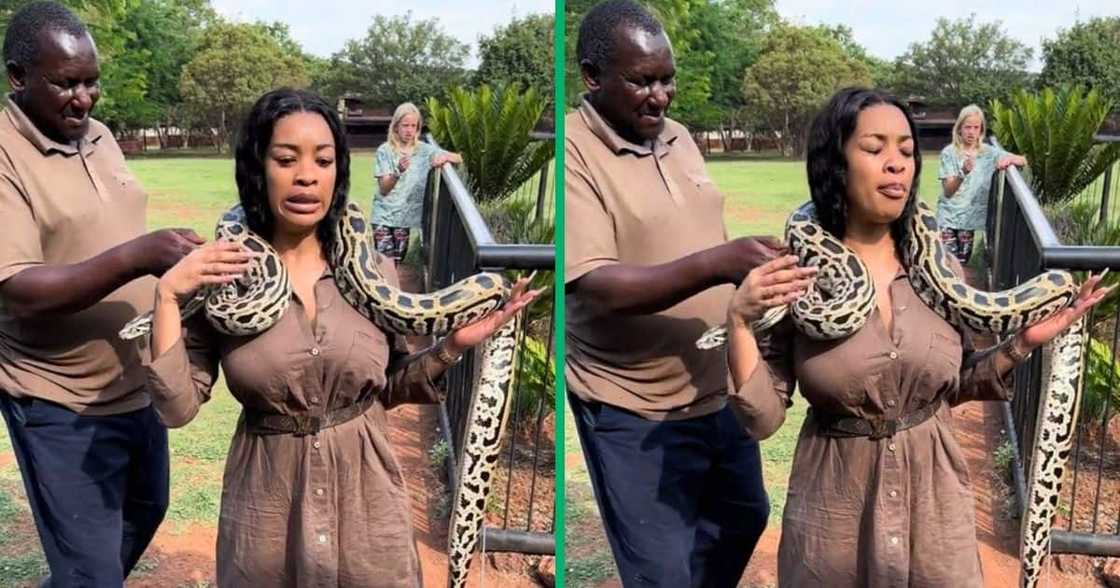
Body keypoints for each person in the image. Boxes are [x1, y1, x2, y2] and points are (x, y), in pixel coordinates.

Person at [144, 88, 538, 586]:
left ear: (338, 171)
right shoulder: (224, 275)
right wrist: (166, 299)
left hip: (368, 506)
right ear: (257, 169)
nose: (306, 175)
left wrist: (456, 344)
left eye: (323, 160)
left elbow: (392, 386)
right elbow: (177, 408)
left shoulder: (373, 267)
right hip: (267, 511)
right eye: (286, 159)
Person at [725, 87, 1112, 587]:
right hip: (836, 512)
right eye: (875, 148)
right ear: (835, 163)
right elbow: (761, 417)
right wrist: (738, 323)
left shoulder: (940, 271)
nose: (896, 165)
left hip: (934, 507)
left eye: (906, 151)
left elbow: (955, 383)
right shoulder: (795, 278)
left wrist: (1025, 340)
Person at [565, 1, 780, 585]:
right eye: (642, 81)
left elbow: (695, 230)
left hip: (717, 386)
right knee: (661, 571)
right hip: (633, 404)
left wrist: (748, 264)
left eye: (667, 79)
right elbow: (595, 285)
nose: (661, 96)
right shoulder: (573, 153)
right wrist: (719, 262)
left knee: (744, 517)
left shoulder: (679, 137)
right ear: (592, 76)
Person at [0, 3, 205, 585]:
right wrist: (136, 256)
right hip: (60, 398)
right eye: (67, 84)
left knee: (146, 511)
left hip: (135, 381)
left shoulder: (101, 137)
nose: (85, 98)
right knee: (91, 569)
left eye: (91, 82)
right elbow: (18, 289)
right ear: (19, 77)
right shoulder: (4, 156)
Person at [371, 102, 462, 264]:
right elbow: (384, 188)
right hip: (383, 217)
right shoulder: (384, 150)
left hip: (405, 220)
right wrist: (398, 172)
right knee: (385, 264)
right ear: (396, 126)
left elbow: (459, 157)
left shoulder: (425, 150)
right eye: (405, 125)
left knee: (396, 263)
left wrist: (445, 158)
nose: (409, 130)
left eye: (413, 126)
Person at [936, 104, 1027, 264]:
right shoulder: (949, 153)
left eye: (976, 127)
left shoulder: (989, 153)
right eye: (967, 127)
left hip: (969, 222)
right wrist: (962, 173)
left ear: (981, 130)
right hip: (947, 219)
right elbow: (948, 191)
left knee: (961, 264)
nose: (971, 132)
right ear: (959, 129)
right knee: (946, 265)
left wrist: (1009, 160)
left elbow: (1023, 159)